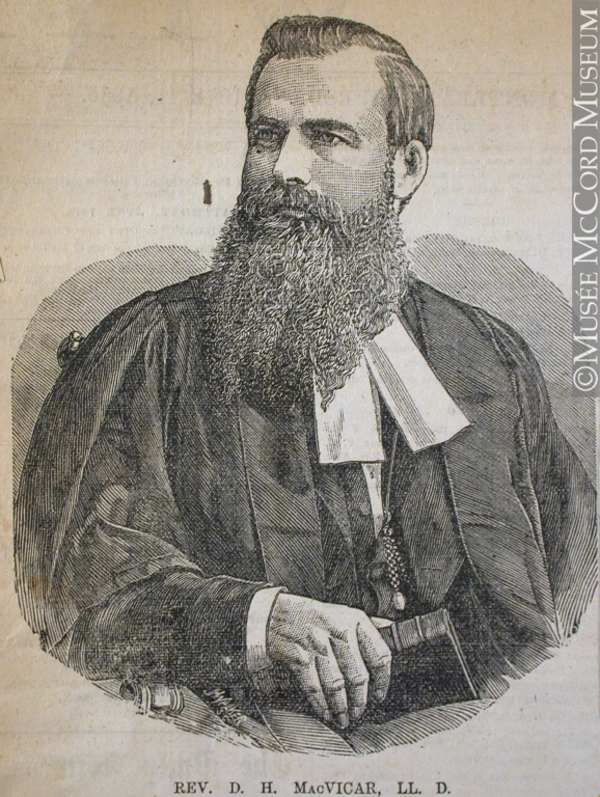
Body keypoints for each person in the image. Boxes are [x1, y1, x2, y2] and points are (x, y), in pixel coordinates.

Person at [15, 16, 596, 734]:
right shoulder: (152, 349)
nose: (286, 168)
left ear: (406, 168)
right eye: (267, 136)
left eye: (327, 137)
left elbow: (574, 590)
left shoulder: (488, 359)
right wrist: (257, 622)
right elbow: (68, 591)